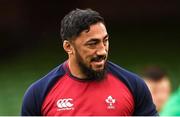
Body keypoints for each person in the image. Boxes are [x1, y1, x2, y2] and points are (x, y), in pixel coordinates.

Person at [21, 8, 158, 116]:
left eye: (105, 41)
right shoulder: (38, 94)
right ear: (68, 47)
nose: (102, 51)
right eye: (92, 44)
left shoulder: (134, 86)